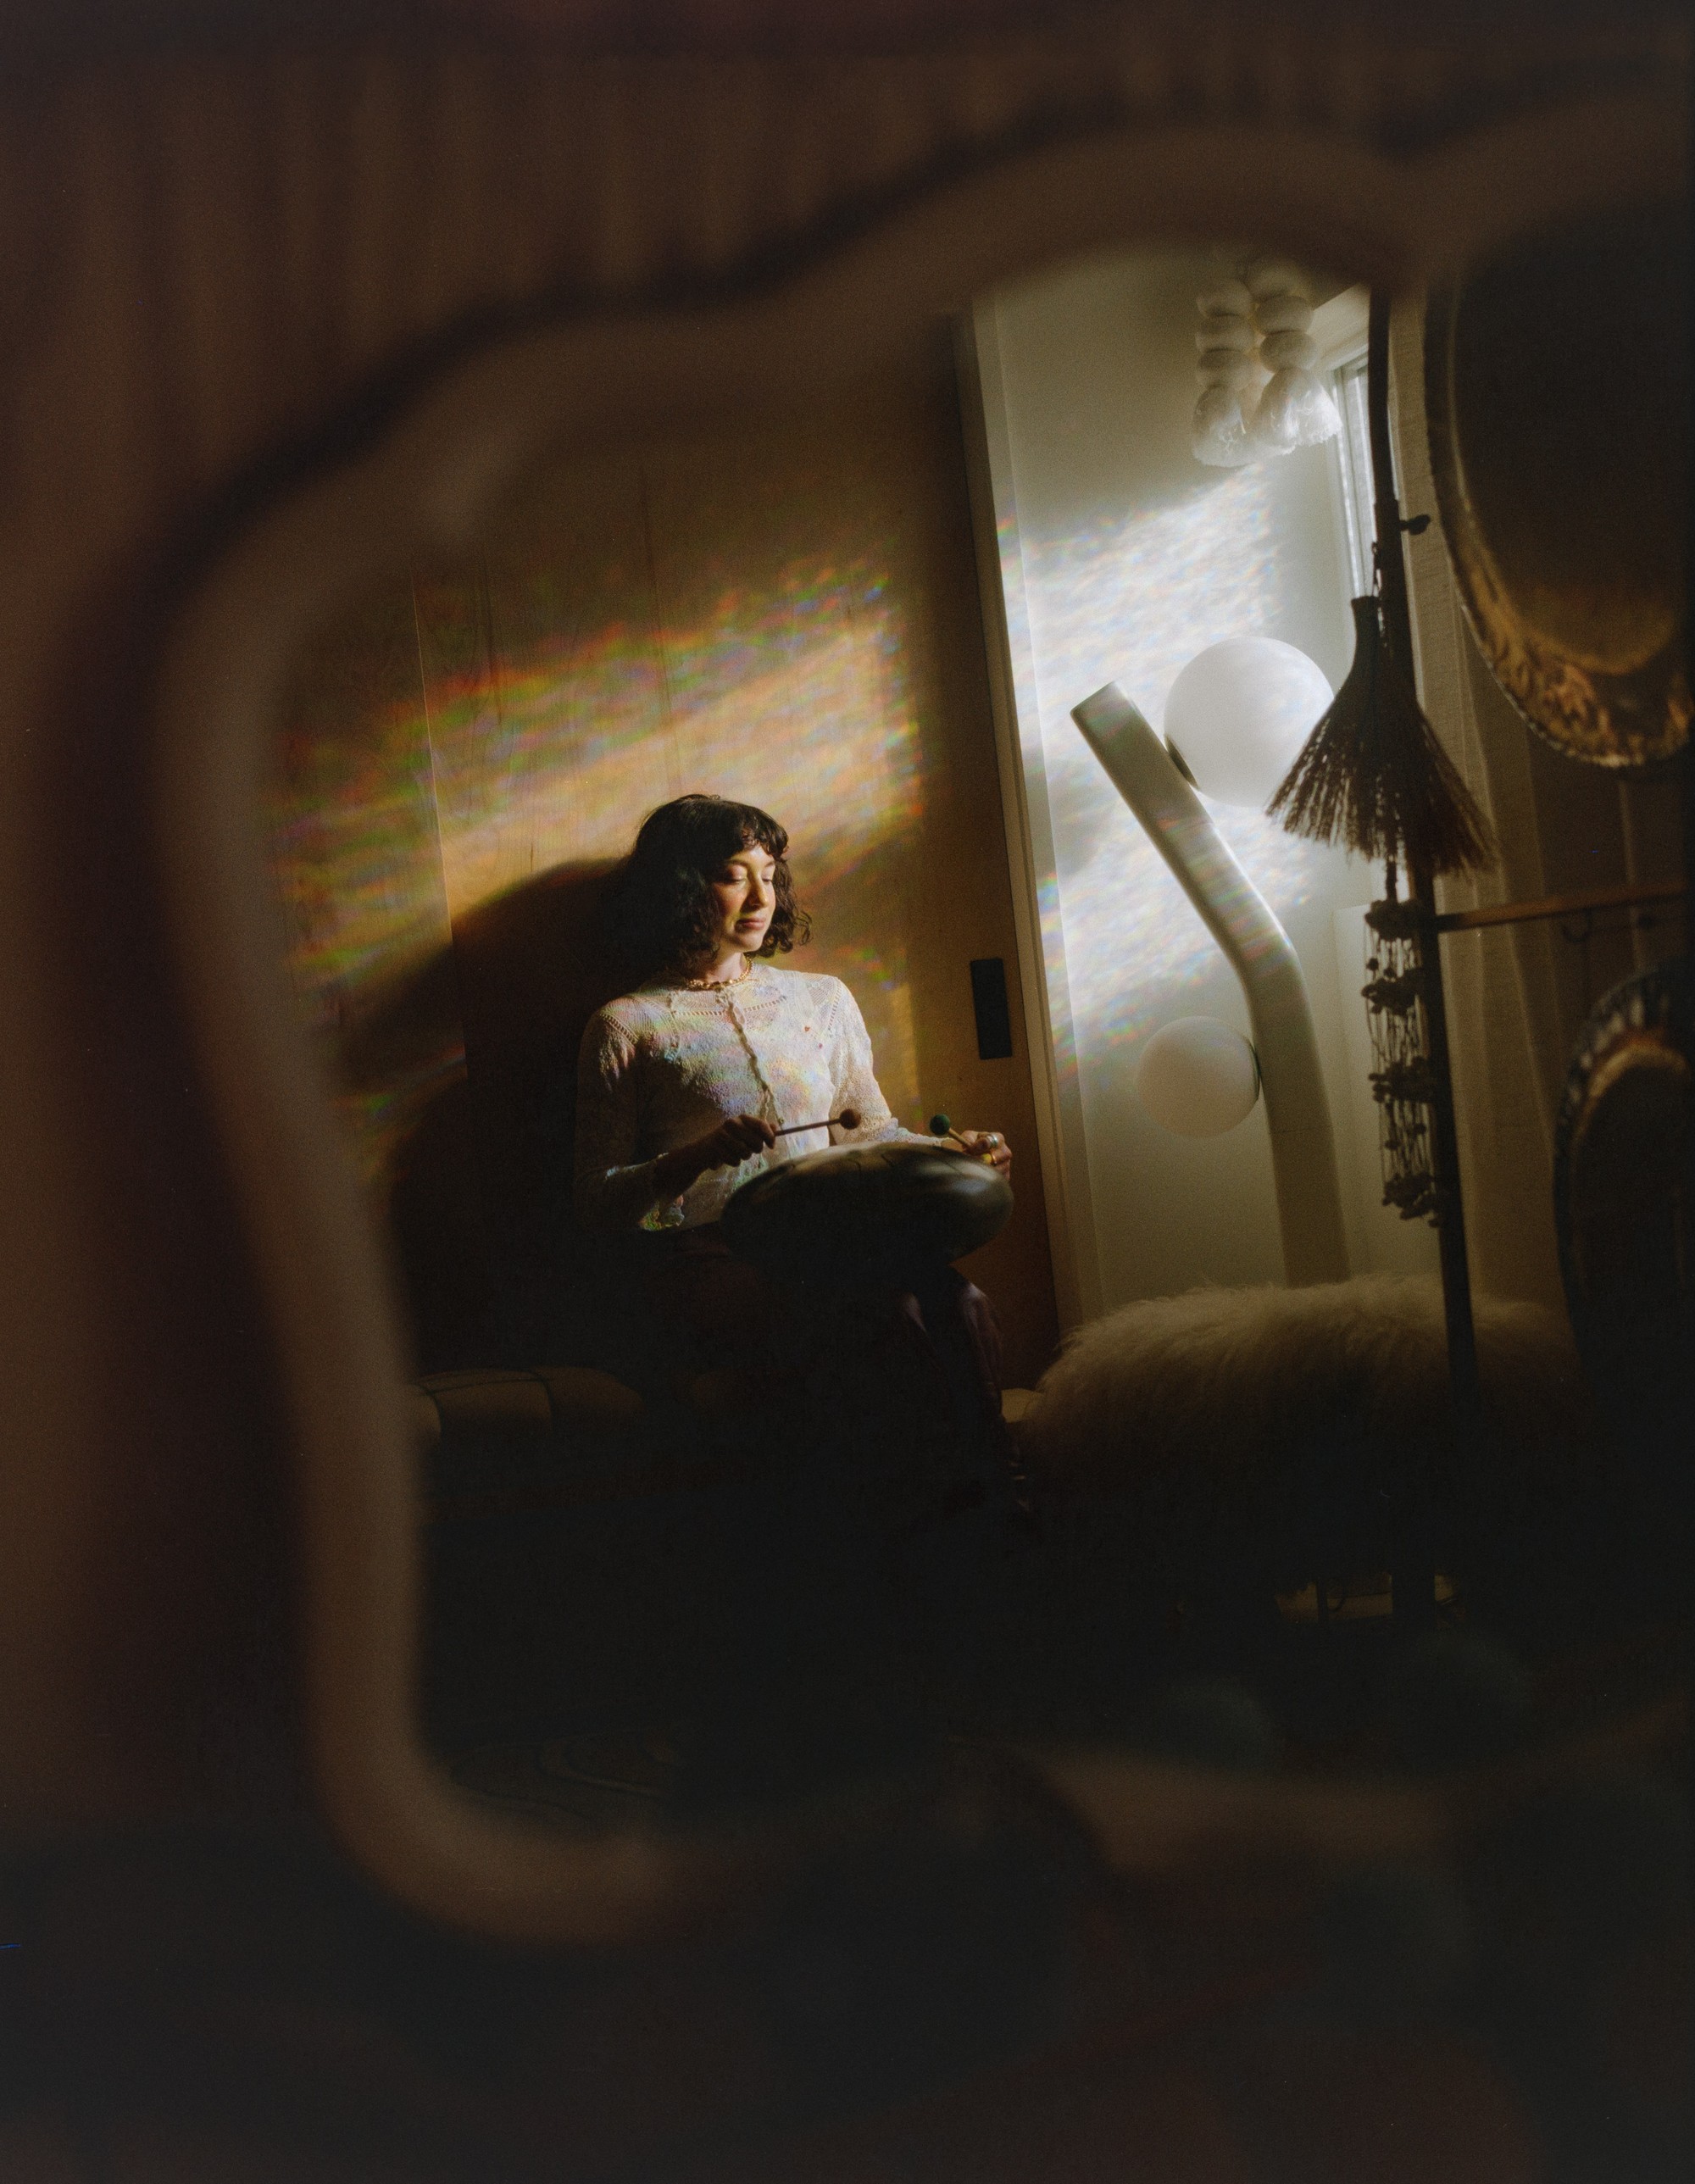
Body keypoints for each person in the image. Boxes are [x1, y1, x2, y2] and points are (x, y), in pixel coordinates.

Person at [573, 793, 1014, 1494]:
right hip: (710, 1259)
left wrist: (953, 1153)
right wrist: (696, 1156)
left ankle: (990, 1493)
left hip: (832, 1237)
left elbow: (870, 1131)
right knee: (887, 1315)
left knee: (962, 1303)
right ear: (681, 886)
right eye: (733, 874)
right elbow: (594, 1200)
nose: (761, 896)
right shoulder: (629, 1024)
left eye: (771, 873)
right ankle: (925, 1519)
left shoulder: (822, 1000)